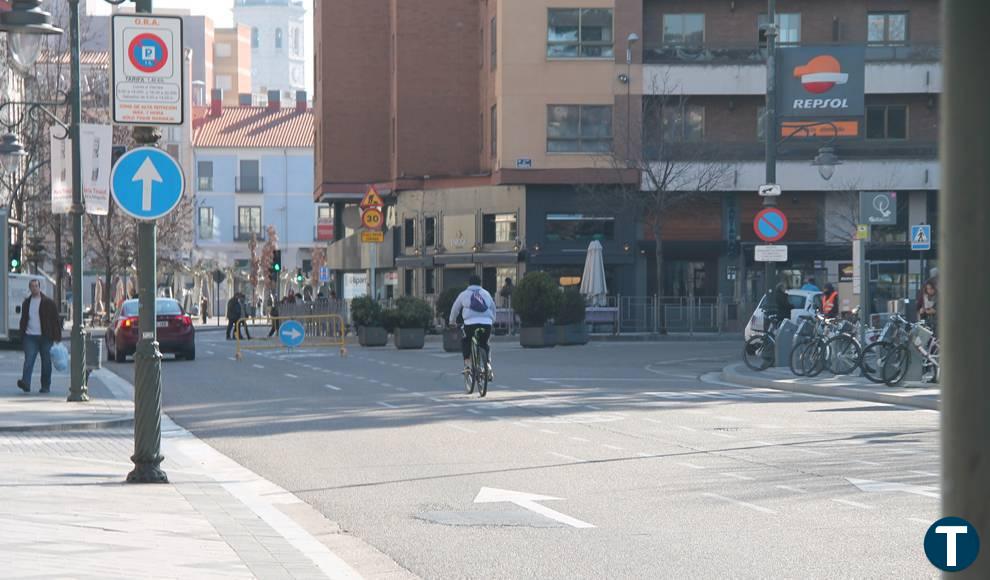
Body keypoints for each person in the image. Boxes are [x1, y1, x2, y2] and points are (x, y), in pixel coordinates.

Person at [18, 280, 62, 394]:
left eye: (36, 286)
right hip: (30, 336)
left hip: (45, 337)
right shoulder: (26, 303)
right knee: (28, 360)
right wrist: (21, 335)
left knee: (46, 362)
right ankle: (26, 383)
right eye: (32, 286)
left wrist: (57, 337)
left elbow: (55, 320)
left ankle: (45, 386)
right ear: (29, 288)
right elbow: (23, 320)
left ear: (39, 287)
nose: (34, 288)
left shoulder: (48, 302)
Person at [449, 275, 496, 377]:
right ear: (480, 283)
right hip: (486, 323)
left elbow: (455, 309)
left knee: (466, 340)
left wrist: (452, 322)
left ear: (469, 283)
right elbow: (493, 308)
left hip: (470, 324)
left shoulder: (464, 294)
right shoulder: (486, 293)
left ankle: (467, 365)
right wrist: (492, 321)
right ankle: (488, 365)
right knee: (484, 343)